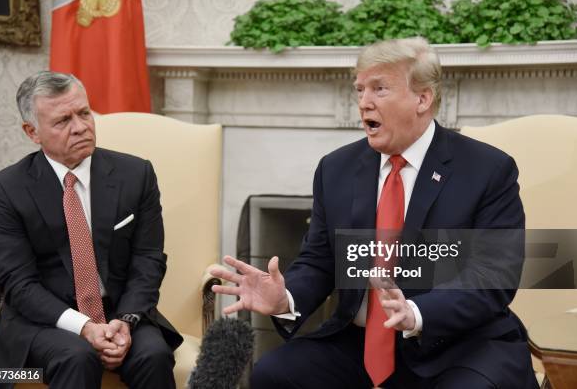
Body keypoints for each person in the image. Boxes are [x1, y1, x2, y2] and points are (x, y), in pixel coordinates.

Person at [211, 38, 538, 388]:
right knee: (276, 373)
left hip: (456, 344)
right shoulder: (336, 169)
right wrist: (285, 297)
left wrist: (416, 312)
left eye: (379, 89)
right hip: (361, 344)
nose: (364, 102)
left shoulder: (487, 169)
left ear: (423, 99)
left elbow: (493, 275)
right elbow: (320, 260)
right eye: (360, 90)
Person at [0, 71, 182, 389]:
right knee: (76, 355)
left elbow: (148, 260)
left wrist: (125, 322)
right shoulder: (7, 189)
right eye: (62, 121)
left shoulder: (136, 174)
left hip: (119, 312)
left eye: (84, 113)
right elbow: (18, 285)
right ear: (32, 131)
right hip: (41, 322)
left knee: (153, 355)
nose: (80, 127)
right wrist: (85, 327)